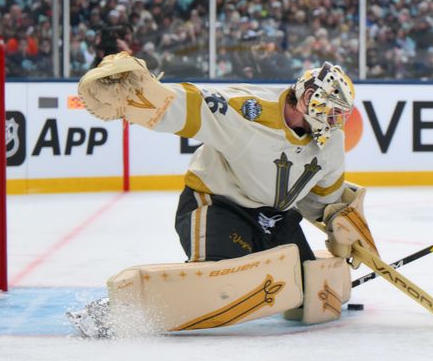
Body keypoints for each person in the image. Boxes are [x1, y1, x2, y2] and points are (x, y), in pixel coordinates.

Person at [69, 53, 376, 337]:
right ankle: (112, 314)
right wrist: (144, 95)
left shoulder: (331, 142)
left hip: (275, 219)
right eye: (333, 112)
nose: (337, 122)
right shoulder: (250, 110)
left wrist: (342, 220)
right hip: (218, 207)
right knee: (226, 284)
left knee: (310, 290)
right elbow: (195, 106)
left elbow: (323, 196)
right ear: (309, 98)